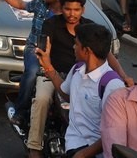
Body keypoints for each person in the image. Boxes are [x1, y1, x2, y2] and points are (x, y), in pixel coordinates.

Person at [26, 0, 133, 157]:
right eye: (68, 9)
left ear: (83, 9)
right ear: (62, 8)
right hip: (58, 73)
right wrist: (47, 65)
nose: (72, 13)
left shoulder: (90, 29)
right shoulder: (51, 24)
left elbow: (107, 54)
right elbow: (45, 46)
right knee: (42, 99)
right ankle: (34, 147)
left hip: (89, 146)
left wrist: (123, 75)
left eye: (76, 9)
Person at [0, 0, 69, 128]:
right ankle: (20, 111)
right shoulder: (39, 4)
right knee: (32, 73)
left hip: (56, 53)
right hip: (34, 48)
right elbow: (20, 4)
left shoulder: (67, 14)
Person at [36, 23, 126, 158]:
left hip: (93, 151)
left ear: (86, 51)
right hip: (73, 144)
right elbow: (66, 94)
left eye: (76, 44)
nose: (73, 47)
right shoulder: (77, 69)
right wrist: (48, 66)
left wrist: (83, 154)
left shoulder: (112, 85)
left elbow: (114, 133)